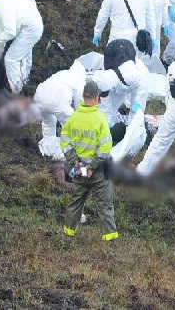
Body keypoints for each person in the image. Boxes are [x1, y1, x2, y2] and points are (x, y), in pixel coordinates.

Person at [61, 81, 116, 241]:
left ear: (84, 97)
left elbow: (64, 142)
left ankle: (67, 236)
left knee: (75, 204)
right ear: (97, 97)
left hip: (79, 171)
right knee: (105, 206)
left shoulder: (73, 118)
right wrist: (92, 167)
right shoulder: (100, 119)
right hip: (98, 171)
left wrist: (77, 164)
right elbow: (105, 148)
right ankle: (110, 240)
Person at [33, 60, 86, 161]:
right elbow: (80, 105)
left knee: (48, 122)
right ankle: (62, 156)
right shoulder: (79, 81)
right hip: (58, 101)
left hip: (39, 97)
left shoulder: (63, 73)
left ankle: (48, 148)